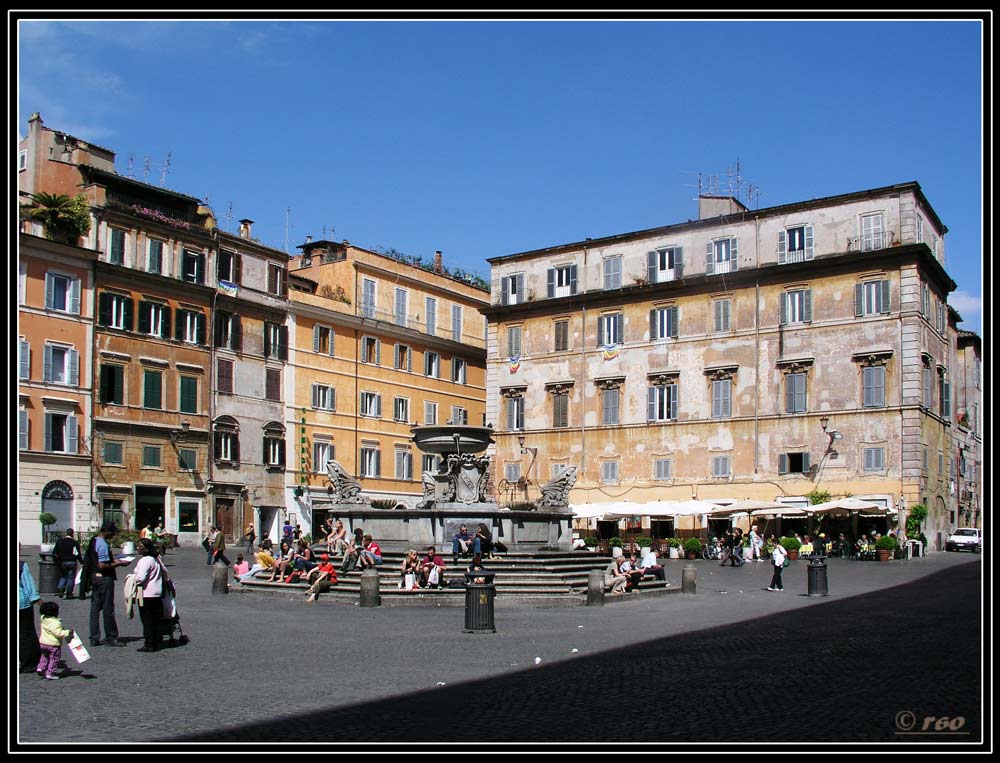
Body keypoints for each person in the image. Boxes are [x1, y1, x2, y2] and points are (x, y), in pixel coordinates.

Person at [86, 522, 132, 647]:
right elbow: (102, 565)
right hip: (104, 579)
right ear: (108, 531)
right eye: (113, 533)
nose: (113, 535)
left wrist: (115, 560)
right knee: (108, 608)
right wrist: (119, 564)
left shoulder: (94, 540)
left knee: (95, 609)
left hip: (95, 577)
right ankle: (111, 637)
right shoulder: (103, 544)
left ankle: (94, 637)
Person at [133, 538, 170, 652]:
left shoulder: (145, 560)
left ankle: (149, 643)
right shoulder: (156, 559)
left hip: (145, 593)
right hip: (157, 592)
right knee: (156, 618)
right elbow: (165, 572)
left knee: (147, 619)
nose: (137, 548)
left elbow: (140, 578)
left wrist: (132, 578)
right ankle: (157, 640)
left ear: (146, 548)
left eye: (140, 546)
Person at [19, 548, 42, 673]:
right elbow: (29, 584)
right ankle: (27, 663)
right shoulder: (21, 565)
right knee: (26, 633)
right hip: (21, 604)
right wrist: (36, 599)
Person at [37, 600, 73, 679]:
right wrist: (68, 632)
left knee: (44, 656)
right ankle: (50, 673)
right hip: (53, 645)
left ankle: (41, 667)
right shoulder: (56, 623)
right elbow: (58, 633)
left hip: (43, 643)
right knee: (54, 659)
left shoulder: (43, 618)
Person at [53, 528, 81, 599]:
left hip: (63, 562)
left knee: (63, 576)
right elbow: (77, 554)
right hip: (72, 561)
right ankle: (69, 593)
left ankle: (61, 588)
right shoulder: (74, 543)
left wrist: (56, 561)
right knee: (71, 578)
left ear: (66, 533)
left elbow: (55, 552)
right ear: (72, 534)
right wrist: (82, 561)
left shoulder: (60, 542)